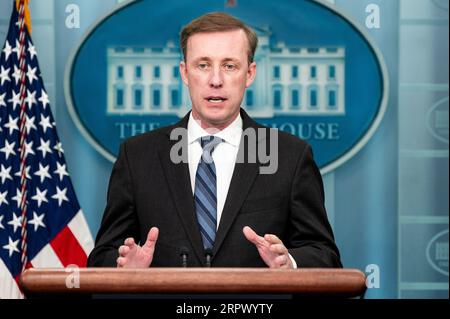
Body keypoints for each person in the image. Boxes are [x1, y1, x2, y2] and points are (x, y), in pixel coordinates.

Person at [87, 12, 342, 269]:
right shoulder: (137, 156)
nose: (216, 81)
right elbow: (101, 257)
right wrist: (124, 268)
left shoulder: (290, 156)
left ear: (250, 74)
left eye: (229, 66)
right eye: (203, 65)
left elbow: (325, 256)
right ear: (185, 73)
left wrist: (290, 263)